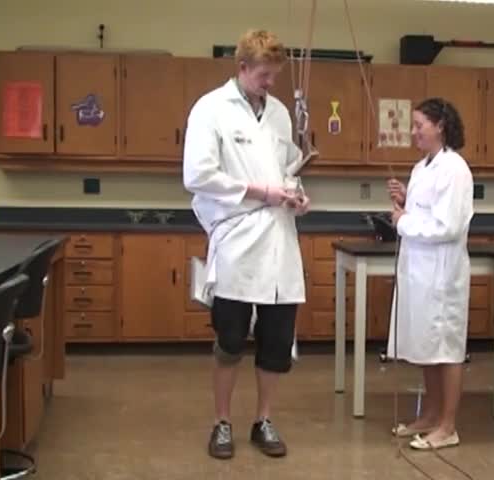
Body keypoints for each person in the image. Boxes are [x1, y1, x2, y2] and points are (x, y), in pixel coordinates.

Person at [182, 28, 310, 460]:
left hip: (280, 240)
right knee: (230, 341)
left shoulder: (278, 114)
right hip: (236, 241)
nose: (270, 84)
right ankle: (222, 422)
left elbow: (288, 168)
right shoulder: (211, 109)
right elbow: (198, 175)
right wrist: (261, 192)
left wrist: (295, 194)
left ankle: (264, 420)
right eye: (263, 75)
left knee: (276, 344)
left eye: (275, 75)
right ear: (242, 67)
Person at [385, 97, 474, 450]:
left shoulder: (455, 169)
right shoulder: (422, 167)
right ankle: (431, 415)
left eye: (419, 125)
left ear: (440, 126)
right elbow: (428, 209)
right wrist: (408, 199)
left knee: (446, 349)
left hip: (442, 277)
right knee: (426, 346)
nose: (414, 131)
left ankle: (448, 426)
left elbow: (447, 226)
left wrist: (403, 221)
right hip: (420, 274)